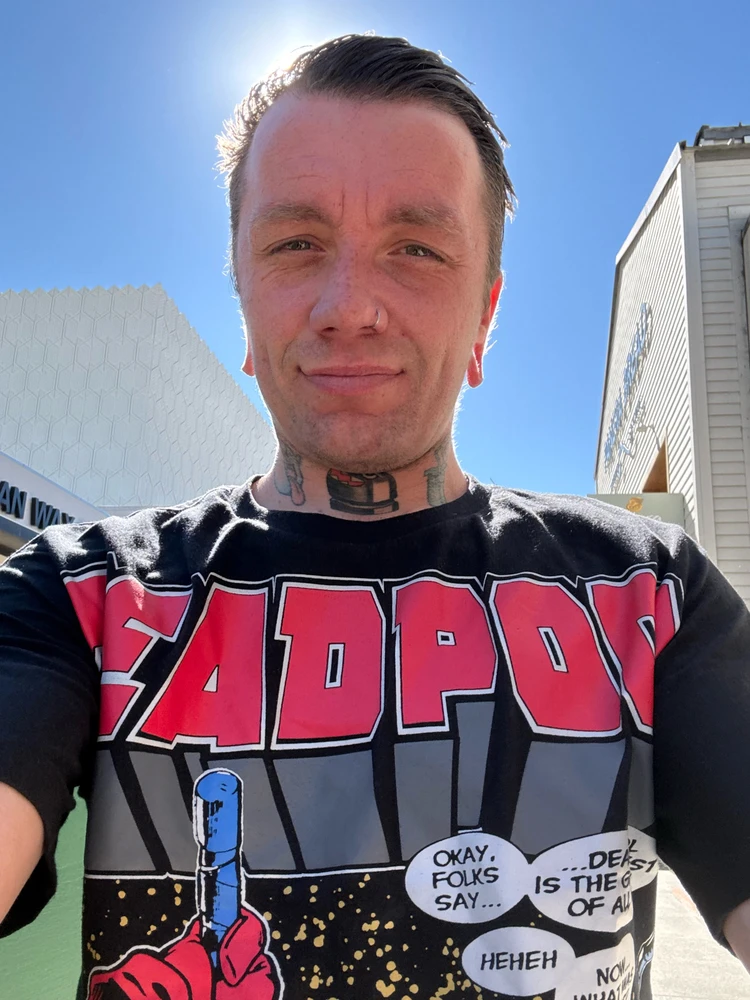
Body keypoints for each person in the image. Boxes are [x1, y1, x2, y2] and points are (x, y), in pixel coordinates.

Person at [1, 32, 749, 1000]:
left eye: (417, 249)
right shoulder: (78, 594)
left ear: (485, 317)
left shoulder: (651, 592)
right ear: (242, 296)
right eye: (296, 244)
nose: (350, 306)